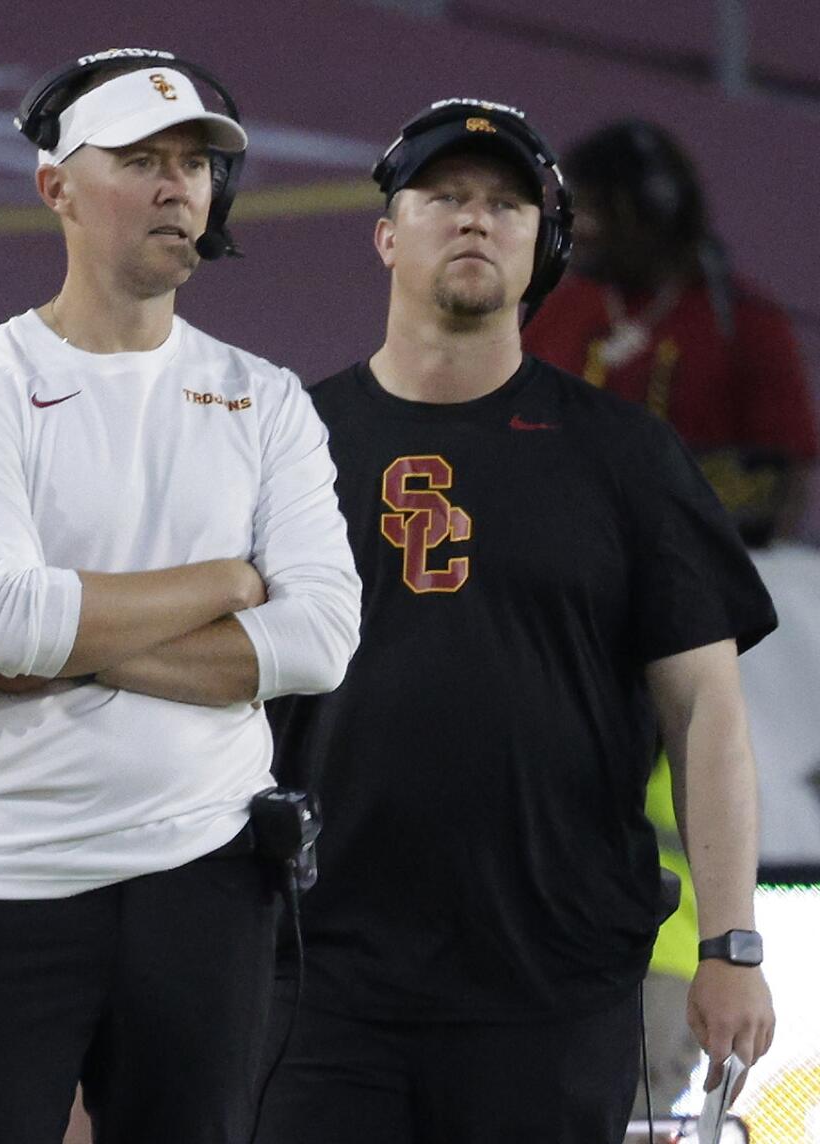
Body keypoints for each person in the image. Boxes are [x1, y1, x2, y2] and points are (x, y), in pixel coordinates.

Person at [255, 98, 776, 1144]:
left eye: (506, 204)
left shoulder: (629, 457)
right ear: (386, 235)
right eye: (445, 196)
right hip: (316, 971)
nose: (477, 221)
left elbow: (707, 712)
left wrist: (732, 944)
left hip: (558, 978)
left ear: (543, 244)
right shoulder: (284, 442)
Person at [0, 47, 360, 1144]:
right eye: (142, 159)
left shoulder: (267, 399)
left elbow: (321, 639)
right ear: (56, 187)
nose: (178, 186)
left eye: (197, 163)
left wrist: (69, 643)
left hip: (206, 877)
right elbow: (0, 617)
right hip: (1, 869)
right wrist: (229, 582)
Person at [523, 119, 817, 547]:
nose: (576, 227)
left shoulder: (746, 322)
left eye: (592, 210)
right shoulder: (558, 309)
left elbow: (784, 480)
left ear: (651, 215)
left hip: (700, 571)